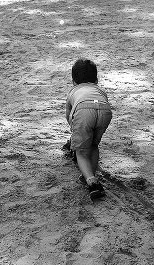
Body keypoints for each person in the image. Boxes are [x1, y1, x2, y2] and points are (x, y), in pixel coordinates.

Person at [65, 58, 112, 200]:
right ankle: (89, 173)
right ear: (96, 80)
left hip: (84, 111)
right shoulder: (100, 90)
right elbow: (103, 103)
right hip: (105, 111)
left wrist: (76, 136)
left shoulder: (73, 92)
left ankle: (93, 183)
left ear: (74, 82)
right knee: (93, 146)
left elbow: (69, 116)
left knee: (81, 152)